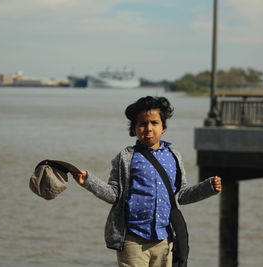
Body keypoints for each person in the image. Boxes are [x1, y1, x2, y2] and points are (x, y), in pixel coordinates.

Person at [73, 96, 222, 267]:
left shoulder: (174, 156)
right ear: (134, 129)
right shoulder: (126, 157)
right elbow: (114, 194)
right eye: (142, 124)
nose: (148, 128)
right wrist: (89, 181)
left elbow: (180, 196)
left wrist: (208, 187)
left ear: (163, 127)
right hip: (132, 240)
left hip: (165, 240)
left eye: (154, 123)